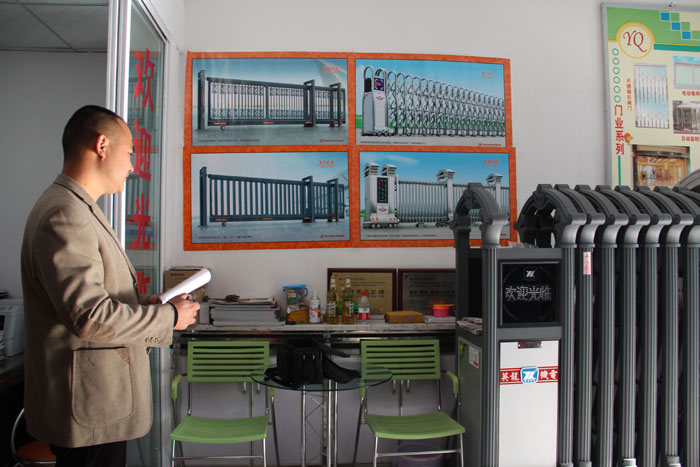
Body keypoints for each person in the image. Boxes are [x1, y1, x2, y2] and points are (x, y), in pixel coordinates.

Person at [20, 105, 199, 467]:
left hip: (94, 408)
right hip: (89, 408)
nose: (133, 166)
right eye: (130, 153)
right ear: (102, 145)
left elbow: (91, 300)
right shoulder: (65, 215)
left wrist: (144, 305)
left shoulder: (77, 207)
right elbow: (88, 316)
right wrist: (168, 318)